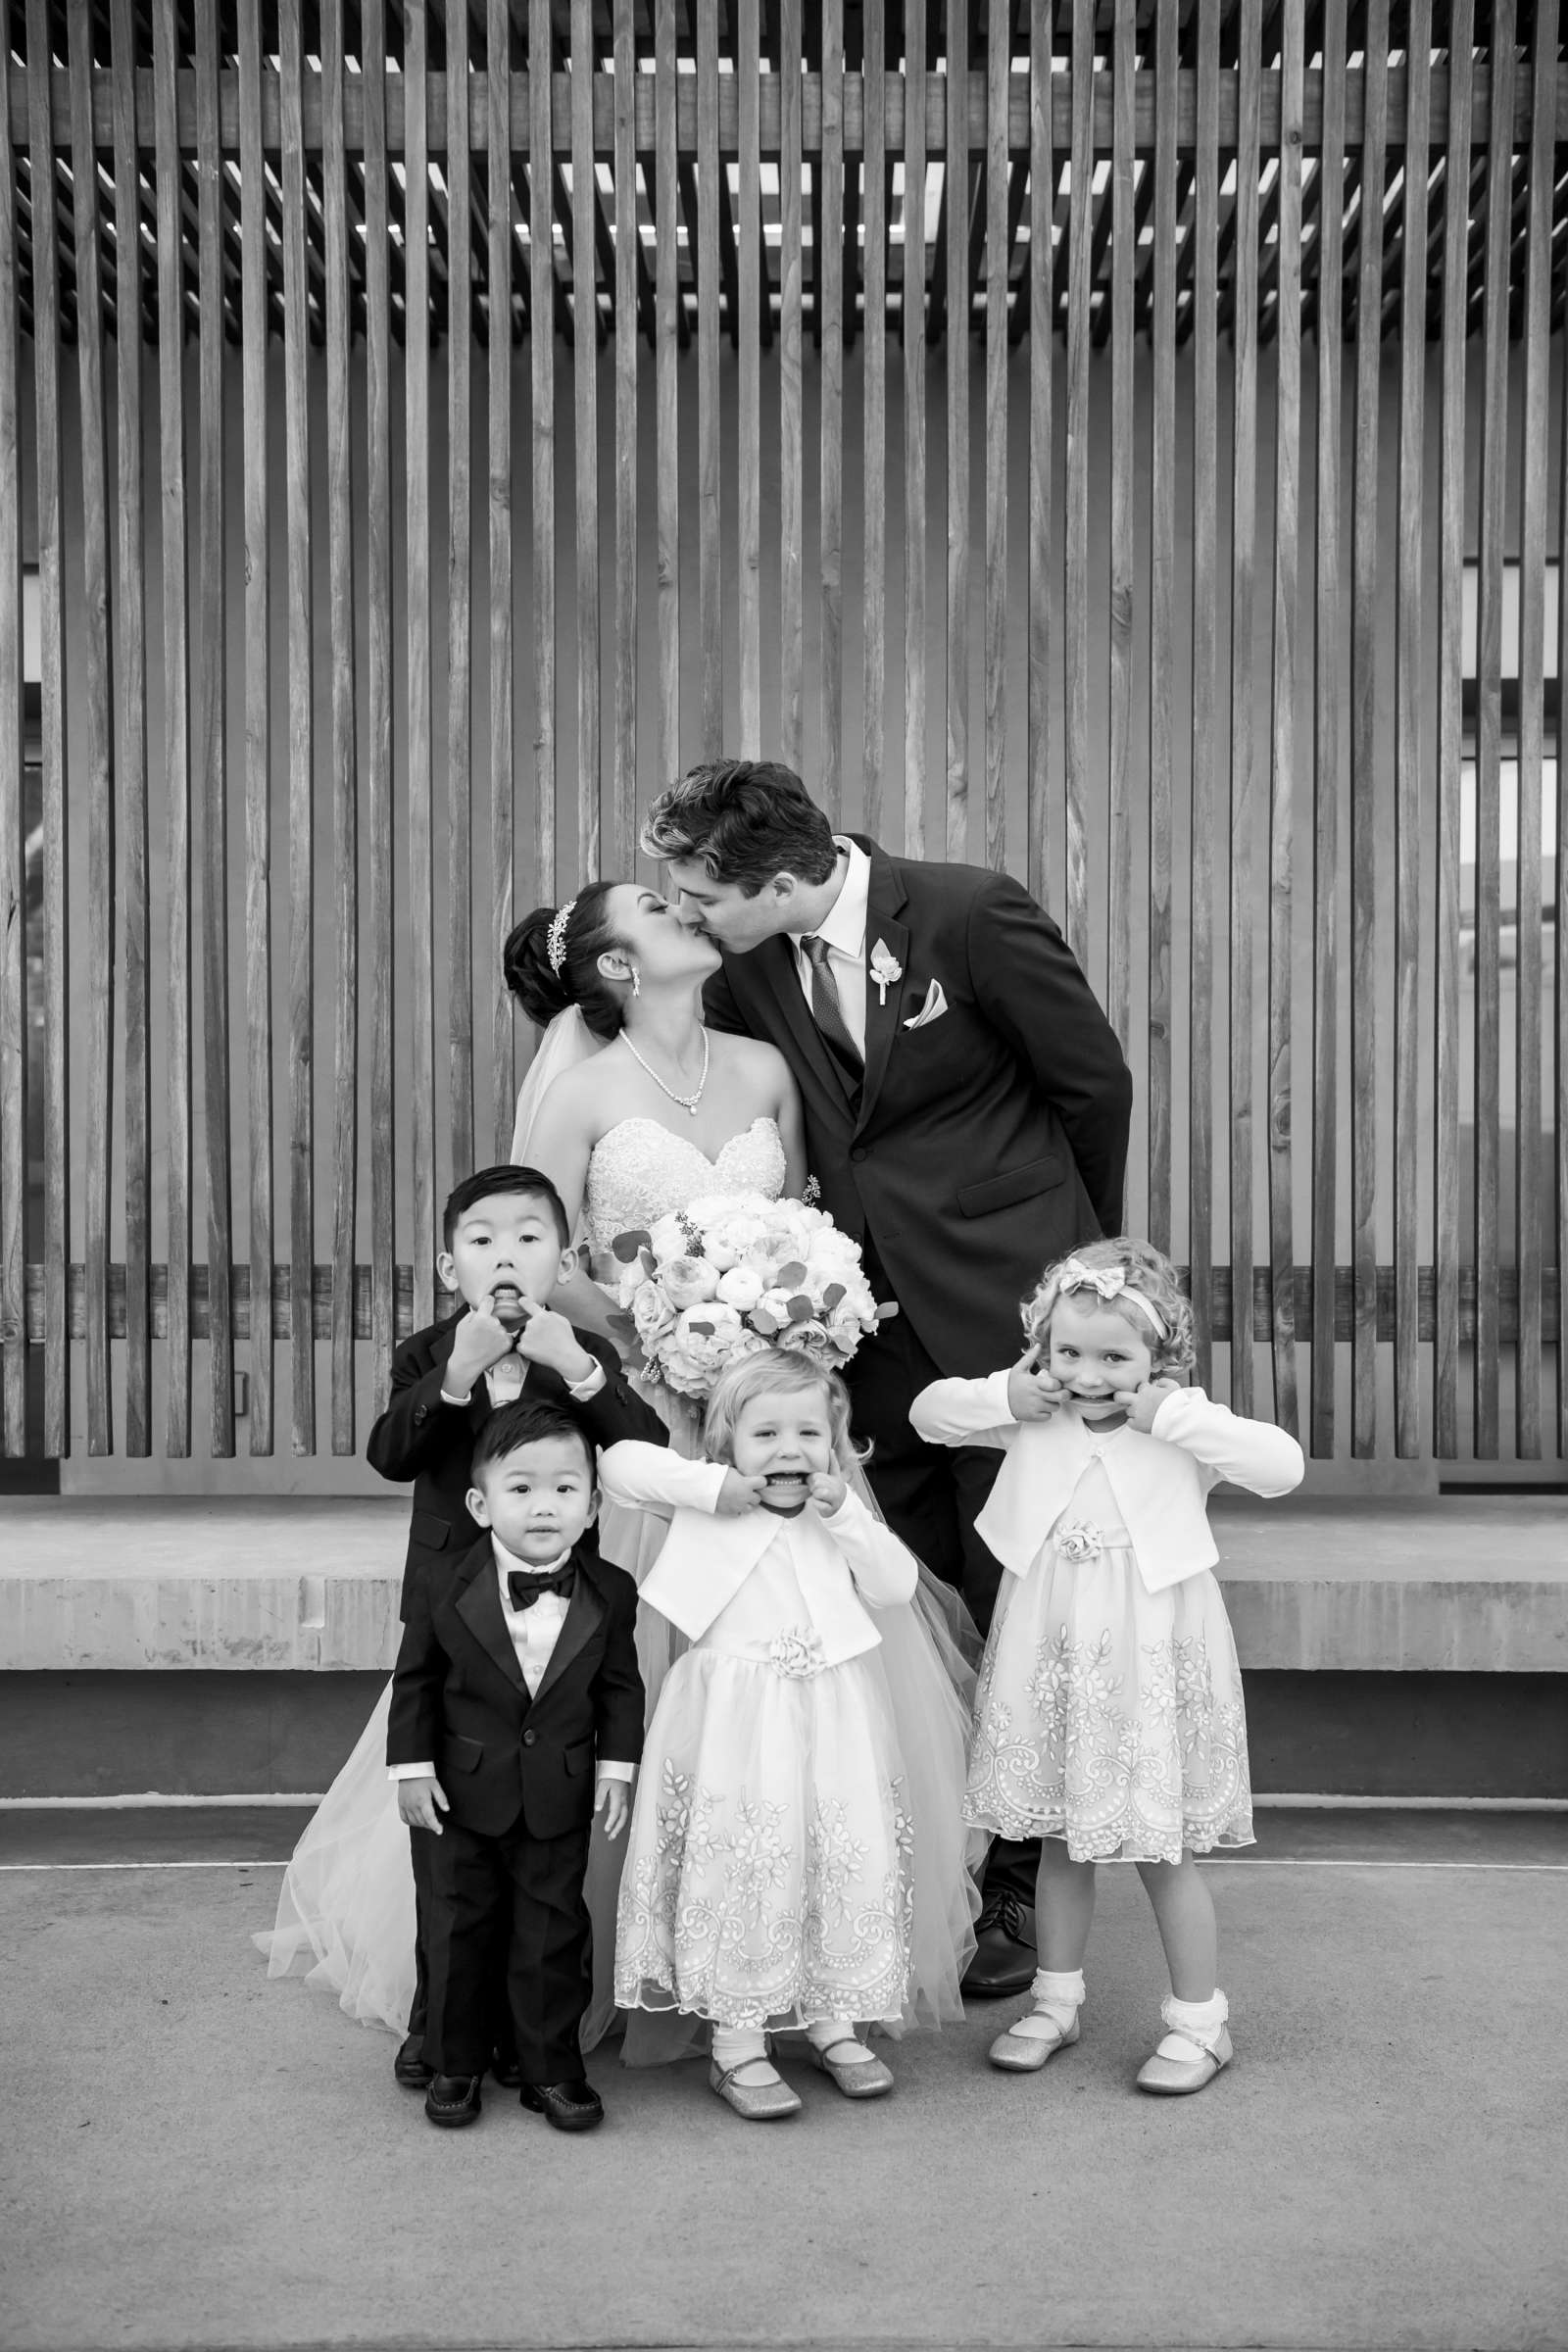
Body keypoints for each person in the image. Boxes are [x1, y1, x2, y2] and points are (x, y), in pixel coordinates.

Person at [641, 758, 1135, 1997]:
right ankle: (907, 1854)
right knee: (897, 1591)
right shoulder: (749, 963)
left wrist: (1073, 1285)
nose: (688, 914)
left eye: (701, 892)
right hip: (857, 1337)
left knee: (1009, 1582)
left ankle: (1015, 1882)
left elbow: (1092, 1084)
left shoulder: (968, 913)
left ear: (783, 879)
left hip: (1004, 1320)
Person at [254, 1165, 664, 2081]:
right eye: (482, 1240)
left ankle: (536, 2039)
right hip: (451, 1611)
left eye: (528, 1237)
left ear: (564, 1259)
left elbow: (644, 1448)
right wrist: (459, 1372)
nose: (505, 1254)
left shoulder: (581, 1346)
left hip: (563, 1616)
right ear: (451, 1266)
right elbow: (392, 1454)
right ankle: (439, 2023)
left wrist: (579, 1366)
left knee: (543, 1867)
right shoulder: (427, 1351)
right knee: (447, 1860)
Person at [909, 1237, 1305, 2094]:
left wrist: (1172, 1413)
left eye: (1115, 1357)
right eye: (1069, 1353)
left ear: (1160, 1355)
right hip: (1049, 1638)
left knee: (1158, 1845)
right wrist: (1003, 1390)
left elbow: (1282, 1467)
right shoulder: (1032, 1407)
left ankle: (1201, 2023)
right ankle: (1056, 2000)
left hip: (1145, 1644)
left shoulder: (1182, 1419)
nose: (1089, 1375)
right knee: (1059, 1834)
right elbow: (928, 1415)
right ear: (1043, 1349)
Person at [601, 1348, 975, 2120]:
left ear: (835, 1446)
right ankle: (738, 2043)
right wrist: (713, 1485)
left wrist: (844, 1513)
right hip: (731, 1720)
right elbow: (619, 1468)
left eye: (809, 1432)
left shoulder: (837, 1517)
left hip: (832, 1714)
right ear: (727, 1444)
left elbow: (897, 1587)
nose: (789, 1450)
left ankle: (835, 2023)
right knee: (746, 1860)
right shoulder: (704, 1502)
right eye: (765, 1433)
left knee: (838, 1857)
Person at [388, 1400, 645, 2132]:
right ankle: (456, 2062)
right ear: (480, 1502)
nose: (544, 1507)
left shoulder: (612, 1590)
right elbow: (416, 1682)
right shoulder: (444, 1583)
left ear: (592, 1505)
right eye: (521, 1488)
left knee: (551, 1933)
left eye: (565, 1490)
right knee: (456, 1926)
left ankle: (550, 2067)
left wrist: (616, 1770)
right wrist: (410, 1769)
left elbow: (621, 1688)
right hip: (455, 1796)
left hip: (557, 1796)